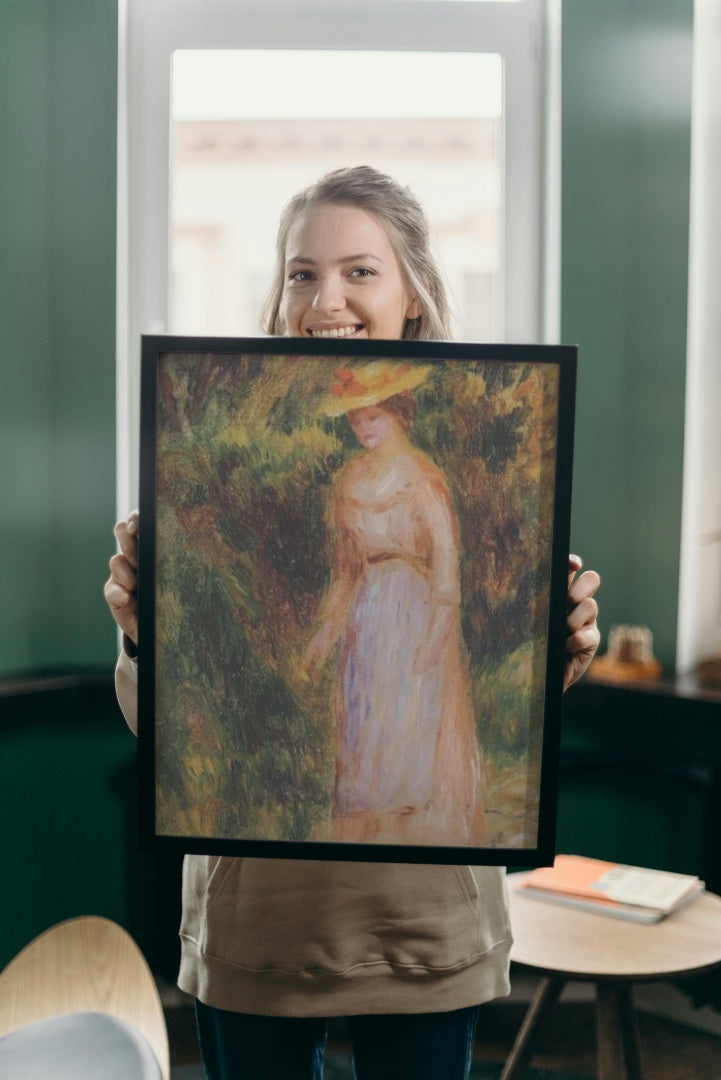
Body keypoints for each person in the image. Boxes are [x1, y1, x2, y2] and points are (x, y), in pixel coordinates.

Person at [105, 166, 601, 1080]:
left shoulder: (455, 451)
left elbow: (467, 613)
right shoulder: (210, 453)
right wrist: (149, 636)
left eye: (359, 271)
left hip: (421, 922)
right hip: (259, 923)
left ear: (412, 292)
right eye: (301, 272)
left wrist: (555, 650)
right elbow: (164, 725)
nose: (324, 297)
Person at [302, 366, 485, 848]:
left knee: (410, 720)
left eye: (374, 418)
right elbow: (346, 571)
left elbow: (446, 567)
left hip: (414, 613)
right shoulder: (349, 482)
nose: (364, 429)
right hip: (368, 616)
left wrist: (434, 639)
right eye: (356, 421)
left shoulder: (424, 479)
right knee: (364, 720)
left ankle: (405, 835)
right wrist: (324, 635)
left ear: (399, 416)